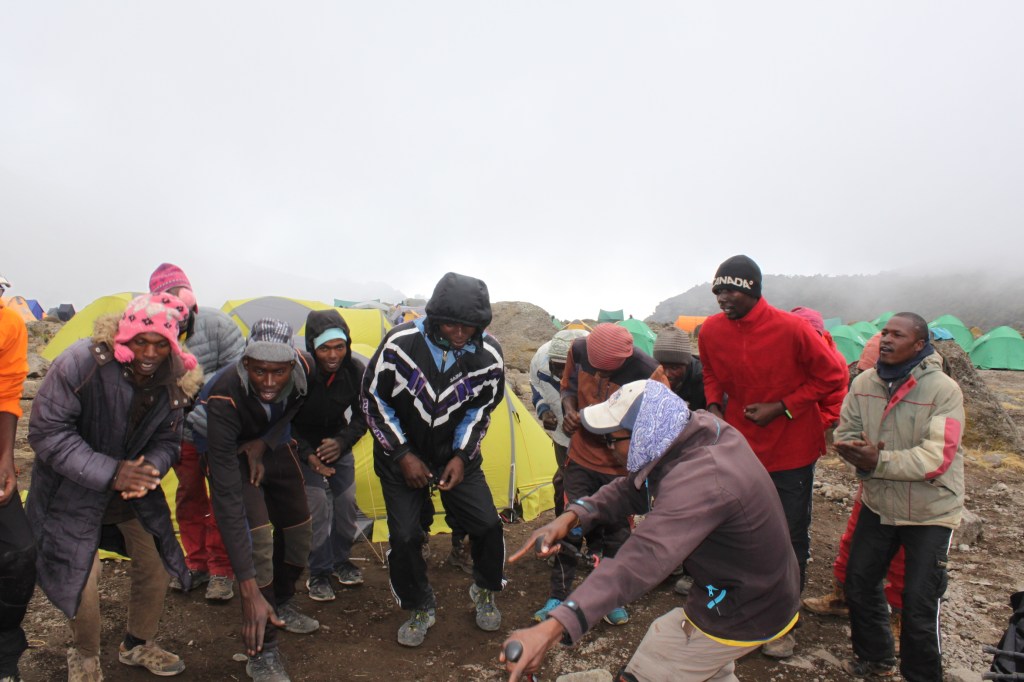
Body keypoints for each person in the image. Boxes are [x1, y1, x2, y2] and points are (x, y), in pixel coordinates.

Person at [500, 380, 801, 682]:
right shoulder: (689, 431)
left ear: (643, 433)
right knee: (700, 665)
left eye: (612, 440)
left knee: (648, 670)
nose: (608, 449)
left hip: (747, 605)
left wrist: (551, 628)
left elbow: (640, 559)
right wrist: (573, 516)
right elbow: (634, 487)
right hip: (746, 584)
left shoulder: (704, 481)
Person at [27, 293, 203, 680]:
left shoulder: (174, 378)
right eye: (141, 341)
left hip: (131, 493)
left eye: (160, 344)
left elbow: (168, 441)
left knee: (155, 562)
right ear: (124, 336)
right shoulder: (82, 363)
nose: (150, 352)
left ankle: (137, 644)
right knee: (82, 581)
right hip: (70, 491)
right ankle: (85, 654)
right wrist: (111, 472)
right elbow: (46, 431)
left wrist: (150, 468)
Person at [698, 255, 847, 658]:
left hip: (791, 448)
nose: (721, 299)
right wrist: (713, 405)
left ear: (752, 290)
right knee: (733, 524)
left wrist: (782, 406)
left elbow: (833, 376)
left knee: (788, 532)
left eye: (729, 291)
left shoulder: (793, 329)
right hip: (738, 446)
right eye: (717, 292)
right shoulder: (711, 330)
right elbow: (710, 371)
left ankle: (782, 621)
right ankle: (734, 601)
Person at [361, 272, 506, 647]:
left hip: (454, 454)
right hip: (400, 453)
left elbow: (481, 410)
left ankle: (486, 589)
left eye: (469, 327)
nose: (460, 334)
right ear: (434, 317)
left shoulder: (488, 356)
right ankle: (418, 605)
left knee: (488, 524)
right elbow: (373, 401)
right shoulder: (399, 344)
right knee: (406, 535)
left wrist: (461, 455)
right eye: (451, 324)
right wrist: (403, 454)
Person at [835, 313, 965, 681]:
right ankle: (875, 657)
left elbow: (939, 456)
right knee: (859, 581)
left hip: (930, 510)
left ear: (919, 344)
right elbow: (847, 430)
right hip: (880, 501)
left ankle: (921, 675)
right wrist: (855, 451)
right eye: (885, 332)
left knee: (919, 603)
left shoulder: (943, 390)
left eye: (897, 334)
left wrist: (879, 460)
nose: (887, 339)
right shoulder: (863, 384)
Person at [202, 318, 317, 682]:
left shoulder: (305, 369)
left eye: (279, 372)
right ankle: (262, 650)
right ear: (245, 364)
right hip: (227, 449)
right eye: (259, 371)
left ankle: (281, 601)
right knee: (259, 542)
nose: (269, 383)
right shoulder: (223, 394)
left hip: (270, 443)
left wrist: (264, 443)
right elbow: (226, 501)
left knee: (299, 530)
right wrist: (247, 587)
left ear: (293, 366)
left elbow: (294, 408)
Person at [533, 323, 662, 626]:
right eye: (596, 370)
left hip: (619, 467)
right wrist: (569, 410)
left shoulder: (650, 373)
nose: (600, 377)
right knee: (571, 524)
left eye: (609, 372)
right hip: (581, 458)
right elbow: (568, 386)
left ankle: (609, 598)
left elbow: (657, 426)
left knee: (617, 532)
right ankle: (558, 595)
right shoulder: (578, 350)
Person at [149, 262, 244, 601]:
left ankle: (222, 569)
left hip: (221, 430)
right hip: (182, 433)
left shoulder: (218, 325)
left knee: (223, 495)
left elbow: (239, 377)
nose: (179, 318)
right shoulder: (154, 335)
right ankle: (196, 562)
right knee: (189, 494)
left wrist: (207, 413)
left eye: (184, 310)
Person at [292, 309, 368, 602]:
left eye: (339, 347)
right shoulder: (301, 372)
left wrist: (342, 441)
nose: (333, 355)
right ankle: (319, 571)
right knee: (318, 506)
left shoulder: (355, 371)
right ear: (313, 347)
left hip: (338, 442)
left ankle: (340, 561)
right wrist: (308, 453)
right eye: (324, 348)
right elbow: (285, 421)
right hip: (303, 447)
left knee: (347, 502)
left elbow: (365, 416)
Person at [0, 277, 35, 682]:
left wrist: (6, 458)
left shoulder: (10, 324)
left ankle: (4, 656)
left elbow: (8, 392)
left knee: (20, 553)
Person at [529, 329, 588, 517]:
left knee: (591, 481)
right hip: (562, 436)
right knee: (564, 480)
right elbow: (536, 387)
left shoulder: (593, 364)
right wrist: (544, 411)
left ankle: (594, 533)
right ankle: (564, 531)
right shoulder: (540, 362)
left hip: (593, 437)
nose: (563, 374)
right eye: (557, 367)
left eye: (568, 367)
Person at [650, 327, 706, 411]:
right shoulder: (653, 373)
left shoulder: (702, 381)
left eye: (674, 368)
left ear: (686, 364)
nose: (667, 374)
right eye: (662, 367)